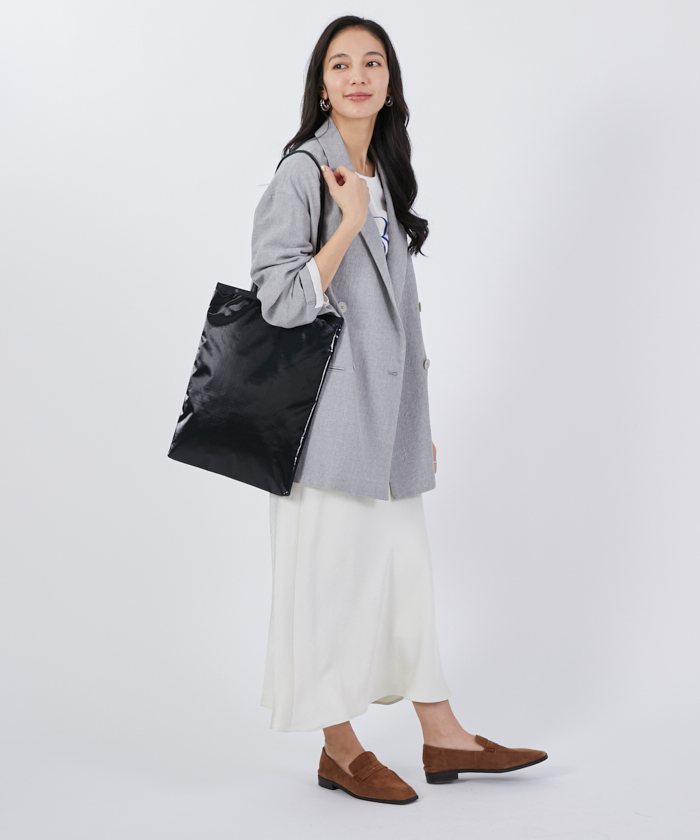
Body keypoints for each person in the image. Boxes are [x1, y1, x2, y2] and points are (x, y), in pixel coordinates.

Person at [250, 15, 547, 805]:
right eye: (341, 64)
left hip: (386, 429)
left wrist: (417, 426)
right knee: (329, 586)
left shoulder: (382, 170)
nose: (358, 76)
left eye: (372, 63)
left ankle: (444, 735)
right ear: (322, 85)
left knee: (407, 578)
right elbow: (278, 300)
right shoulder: (304, 173)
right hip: (326, 429)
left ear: (389, 81)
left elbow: (398, 322)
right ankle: (339, 748)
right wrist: (347, 222)